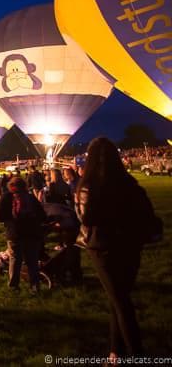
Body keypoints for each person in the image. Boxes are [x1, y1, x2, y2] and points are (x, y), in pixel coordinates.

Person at [77, 137, 159, 360]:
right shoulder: (130, 184)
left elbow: (87, 218)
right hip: (131, 246)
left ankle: (137, 354)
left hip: (103, 249)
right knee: (119, 298)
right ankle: (116, 352)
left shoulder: (88, 186)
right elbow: (146, 214)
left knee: (121, 301)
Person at [0, 176, 46, 293]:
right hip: (31, 233)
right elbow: (42, 215)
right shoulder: (30, 198)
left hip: (14, 233)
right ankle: (35, 286)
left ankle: (14, 286)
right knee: (32, 261)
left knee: (15, 260)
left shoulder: (6, 197)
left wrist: (11, 222)